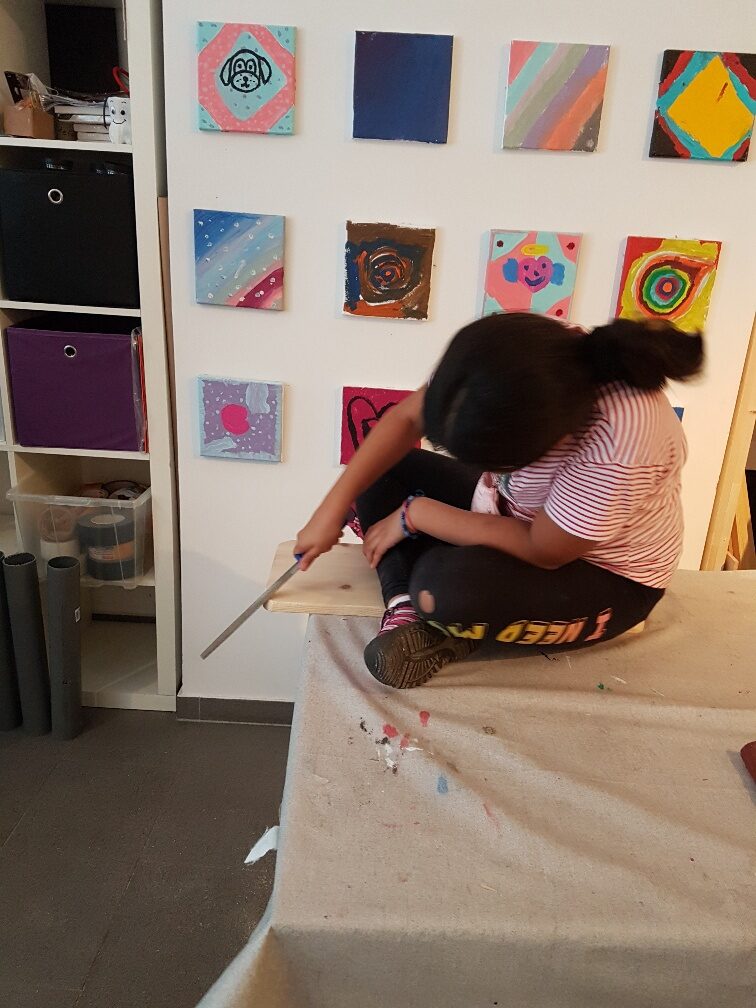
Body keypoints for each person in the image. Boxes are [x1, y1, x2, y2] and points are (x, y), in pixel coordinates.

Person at [295, 313, 704, 689]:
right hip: (512, 511)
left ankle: (442, 614)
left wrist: (415, 514)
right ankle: (406, 607)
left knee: (444, 589)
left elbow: (542, 550)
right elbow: (405, 418)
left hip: (601, 573)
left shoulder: (621, 445)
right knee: (382, 469)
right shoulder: (507, 355)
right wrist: (330, 510)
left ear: (553, 440)